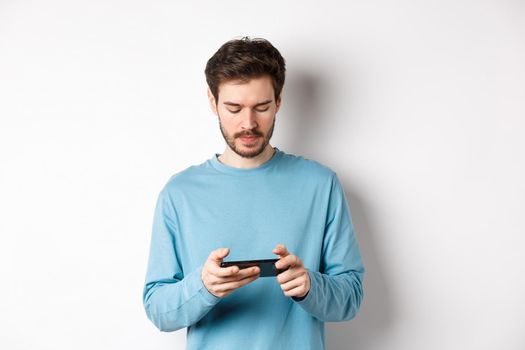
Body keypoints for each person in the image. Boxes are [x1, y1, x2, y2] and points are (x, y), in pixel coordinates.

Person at [143, 37, 365, 350]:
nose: (248, 124)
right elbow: (158, 309)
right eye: (234, 108)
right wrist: (202, 286)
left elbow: (351, 298)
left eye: (261, 108)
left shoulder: (320, 184)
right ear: (212, 101)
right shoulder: (180, 193)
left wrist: (311, 286)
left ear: (278, 102)